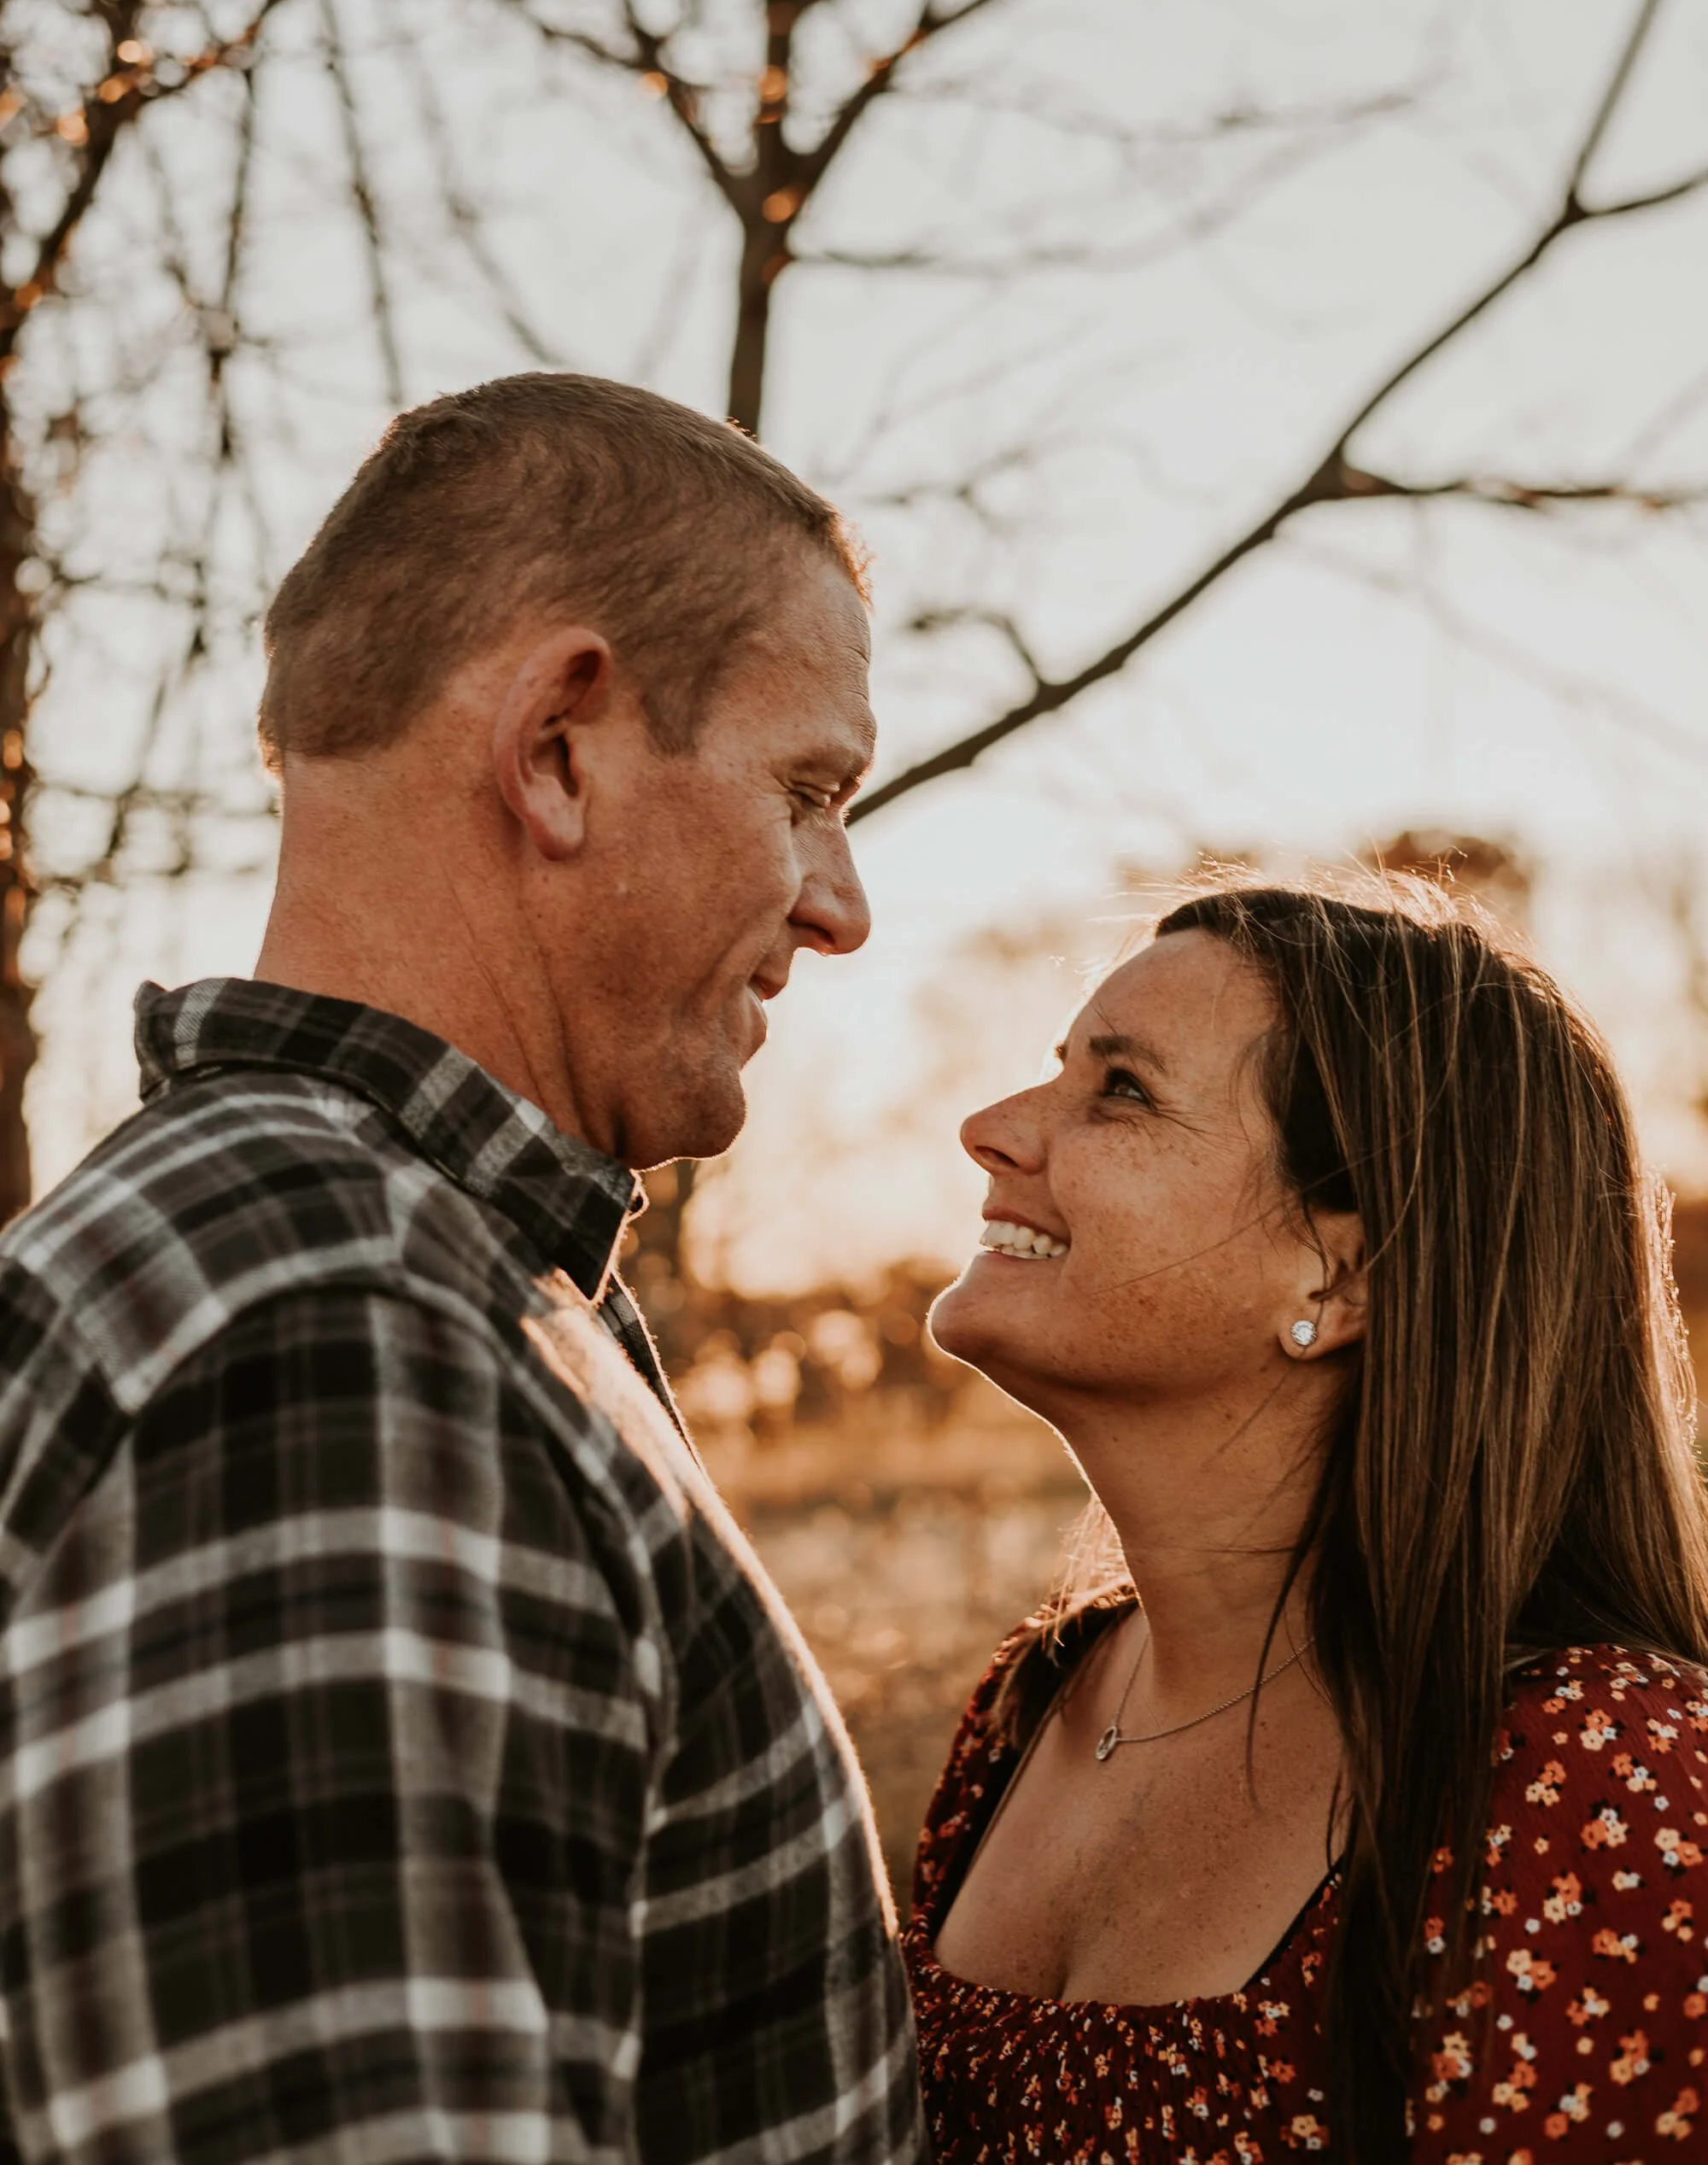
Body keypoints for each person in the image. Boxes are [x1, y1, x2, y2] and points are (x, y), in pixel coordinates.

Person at [0, 374, 923, 2165]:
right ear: (557, 748)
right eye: (805, 789)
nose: (838, 900)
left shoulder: (354, 1265)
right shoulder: (341, 1336)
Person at [907, 880, 1708, 2162]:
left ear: (1343, 1274)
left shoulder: (1605, 1790)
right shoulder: (1032, 1703)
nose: (990, 1128)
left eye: (1119, 1090)